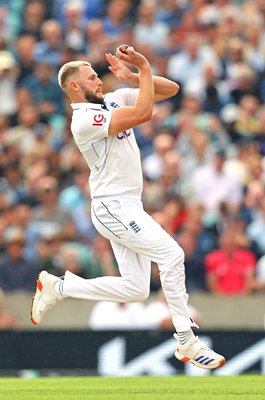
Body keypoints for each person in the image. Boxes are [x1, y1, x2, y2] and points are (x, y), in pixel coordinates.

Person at [31, 44, 225, 370]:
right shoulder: (84, 119)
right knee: (172, 254)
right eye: (91, 77)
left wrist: (136, 77)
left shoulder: (111, 100)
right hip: (113, 206)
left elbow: (170, 90)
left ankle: (60, 286)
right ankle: (185, 340)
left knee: (136, 289)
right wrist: (145, 69)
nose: (99, 80)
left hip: (127, 205)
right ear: (75, 86)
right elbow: (145, 114)